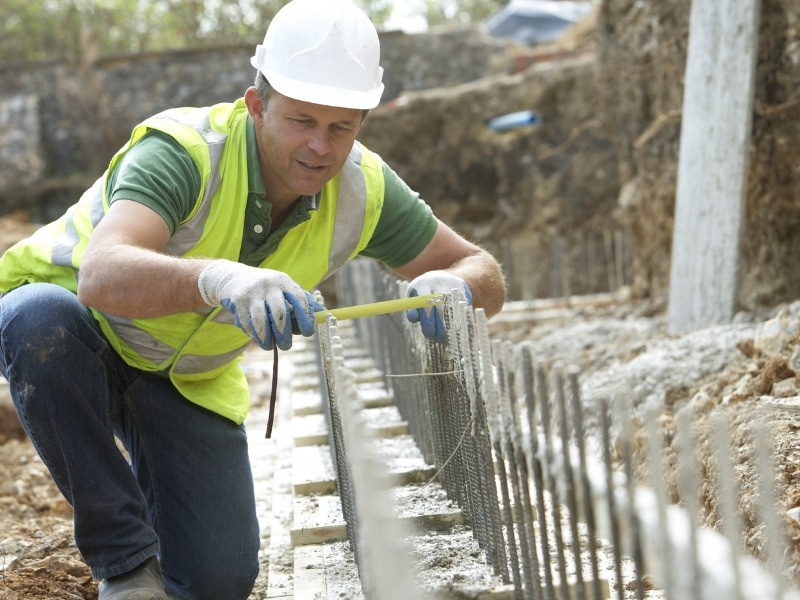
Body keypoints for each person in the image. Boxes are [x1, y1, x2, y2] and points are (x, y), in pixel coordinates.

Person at [0, 0, 506, 598]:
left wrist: (455, 285)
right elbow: (103, 276)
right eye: (302, 120)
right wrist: (221, 279)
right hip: (84, 331)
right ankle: (125, 563)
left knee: (219, 580)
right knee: (38, 322)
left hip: (187, 378)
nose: (321, 146)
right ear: (257, 104)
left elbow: (484, 271)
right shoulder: (185, 151)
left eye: (341, 126)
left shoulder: (363, 188)